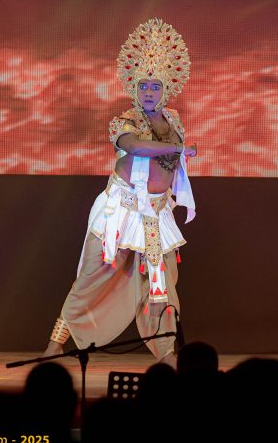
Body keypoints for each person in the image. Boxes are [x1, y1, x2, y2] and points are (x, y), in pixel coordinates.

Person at [44, 18, 197, 364]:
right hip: (121, 212)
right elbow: (136, 147)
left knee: (161, 286)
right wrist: (178, 149)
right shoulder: (125, 120)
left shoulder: (173, 122)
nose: (149, 93)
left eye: (155, 87)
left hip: (156, 214)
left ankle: (167, 354)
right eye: (143, 86)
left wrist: (177, 149)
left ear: (166, 89)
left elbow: (169, 162)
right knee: (92, 278)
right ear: (134, 88)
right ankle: (55, 344)